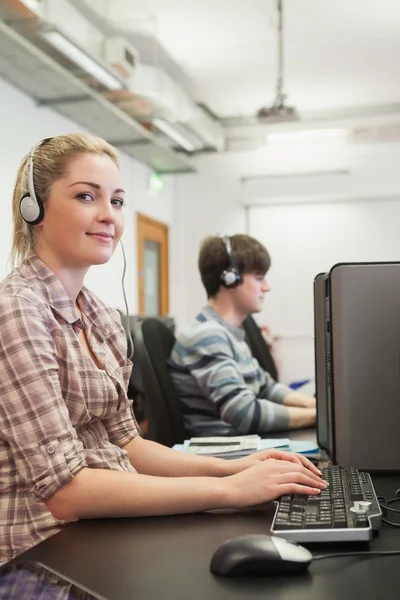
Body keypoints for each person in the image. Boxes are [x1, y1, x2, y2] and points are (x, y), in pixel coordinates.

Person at [0, 133, 326, 563]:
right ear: (34, 210)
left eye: (116, 202)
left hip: (102, 527)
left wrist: (241, 465)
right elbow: (65, 492)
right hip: (45, 551)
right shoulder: (18, 310)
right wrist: (230, 490)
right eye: (86, 196)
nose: (108, 216)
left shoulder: (100, 315)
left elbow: (129, 445)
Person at [169, 234, 317, 437]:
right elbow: (244, 414)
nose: (267, 287)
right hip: (224, 452)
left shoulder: (230, 332)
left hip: (241, 443)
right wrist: (316, 417)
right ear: (230, 279)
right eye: (259, 278)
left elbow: (265, 387)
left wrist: (313, 405)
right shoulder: (208, 336)